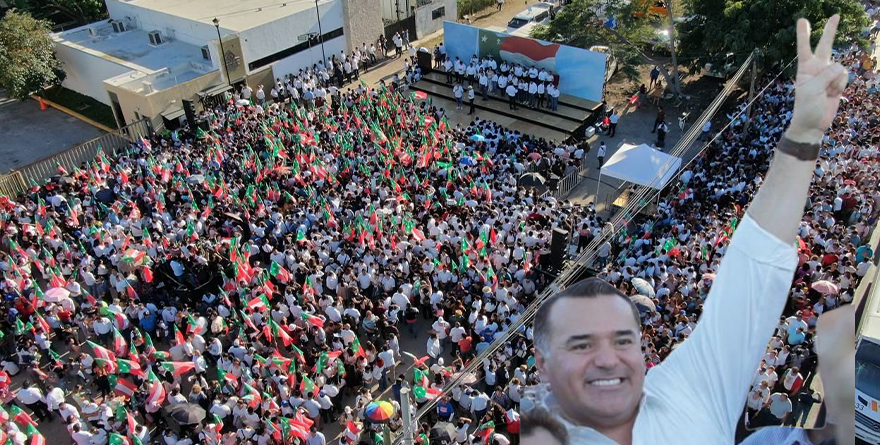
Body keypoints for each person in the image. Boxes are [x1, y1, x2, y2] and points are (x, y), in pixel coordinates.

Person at [524, 15, 850, 444]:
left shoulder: (685, 399)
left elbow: (751, 275)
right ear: (546, 367)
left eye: (620, 340)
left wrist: (803, 136)